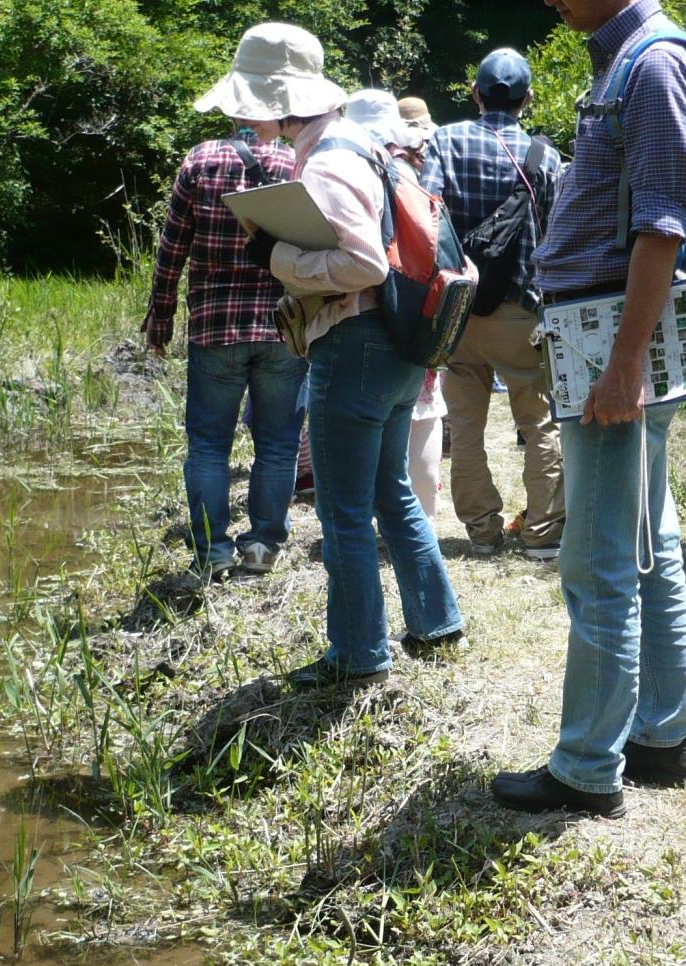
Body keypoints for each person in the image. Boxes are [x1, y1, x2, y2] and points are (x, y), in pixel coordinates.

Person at [489, 0, 686, 816]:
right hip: (609, 332)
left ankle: (586, 767)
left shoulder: (651, 64)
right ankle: (660, 738)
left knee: (599, 559)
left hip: (614, 338)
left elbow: (662, 225)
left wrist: (625, 365)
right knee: (651, 542)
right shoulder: (634, 59)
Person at [207, 24, 463, 688]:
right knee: (389, 489)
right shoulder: (365, 143)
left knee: (342, 511)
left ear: (278, 99)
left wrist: (275, 255)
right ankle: (436, 621)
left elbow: (361, 263)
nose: (243, 115)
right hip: (401, 344)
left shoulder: (326, 161)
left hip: (356, 346)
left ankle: (358, 654)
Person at [143, 69, 304, 582]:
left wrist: (161, 316)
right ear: (278, 111)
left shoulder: (200, 160)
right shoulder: (297, 161)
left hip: (214, 327)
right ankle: (262, 546)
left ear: (231, 109)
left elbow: (172, 248)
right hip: (282, 324)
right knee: (277, 444)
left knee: (209, 445)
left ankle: (213, 551)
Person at [421, 48, 565, 560]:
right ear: (527, 99)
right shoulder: (546, 157)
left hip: (459, 308)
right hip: (521, 307)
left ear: (476, 93)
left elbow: (426, 214)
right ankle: (543, 534)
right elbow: (559, 234)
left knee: (465, 425)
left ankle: (482, 532)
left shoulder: (445, 139)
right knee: (539, 421)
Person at [342, 89, 446, 523]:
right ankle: (423, 521)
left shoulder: (349, 170)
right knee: (422, 413)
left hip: (365, 313)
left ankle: (365, 522)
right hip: (418, 311)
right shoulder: (414, 171)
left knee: (366, 425)